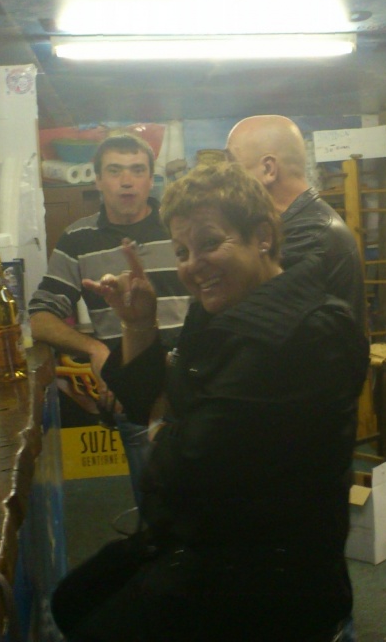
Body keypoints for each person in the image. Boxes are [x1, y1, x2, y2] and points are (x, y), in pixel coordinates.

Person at [50, 162, 368, 641]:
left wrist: (166, 427)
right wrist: (139, 325)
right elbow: (144, 405)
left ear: (263, 237)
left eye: (210, 243)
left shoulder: (309, 330)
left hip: (264, 584)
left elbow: (187, 465)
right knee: (72, 600)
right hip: (200, 547)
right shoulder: (218, 310)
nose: (192, 265)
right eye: (182, 251)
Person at [29, 133, 190, 503]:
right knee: (155, 504)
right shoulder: (78, 239)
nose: (127, 181)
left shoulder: (180, 227)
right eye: (115, 171)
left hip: (192, 384)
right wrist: (95, 349)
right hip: (131, 391)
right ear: (98, 179)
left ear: (151, 179)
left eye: (137, 170)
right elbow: (39, 317)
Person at [225, 114, 366, 330]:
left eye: (233, 166)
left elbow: (255, 318)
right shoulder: (296, 223)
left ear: (268, 170)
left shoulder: (309, 234)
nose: (226, 178)